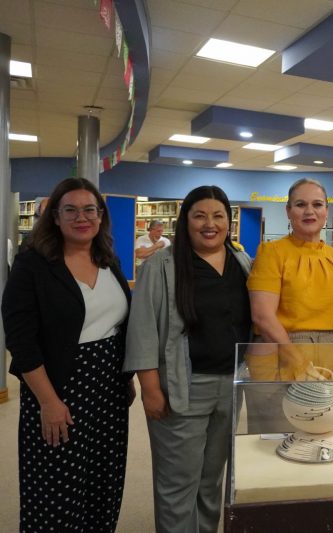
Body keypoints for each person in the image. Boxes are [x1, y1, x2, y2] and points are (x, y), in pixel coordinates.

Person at [2, 177, 133, 532]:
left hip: (108, 393)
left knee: (102, 482)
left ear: (101, 215)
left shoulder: (108, 259)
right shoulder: (33, 264)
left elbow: (118, 325)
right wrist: (48, 401)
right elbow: (21, 339)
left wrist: (126, 377)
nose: (81, 217)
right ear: (55, 217)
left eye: (90, 209)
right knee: (56, 488)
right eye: (70, 210)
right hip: (58, 389)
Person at [124, 185, 253, 533]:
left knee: (212, 480)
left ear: (228, 222)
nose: (210, 224)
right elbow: (142, 330)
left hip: (231, 386)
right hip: (183, 386)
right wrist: (150, 388)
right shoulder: (161, 266)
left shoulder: (241, 261)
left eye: (218, 216)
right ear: (185, 221)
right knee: (178, 484)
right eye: (200, 216)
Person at [246, 178, 333, 430]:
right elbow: (262, 316)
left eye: (317, 204)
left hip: (329, 355)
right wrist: (298, 361)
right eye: (300, 204)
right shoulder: (271, 252)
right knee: (277, 436)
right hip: (280, 353)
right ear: (288, 211)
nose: (309, 211)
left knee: (325, 436)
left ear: (327, 211)